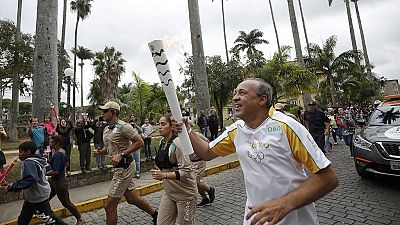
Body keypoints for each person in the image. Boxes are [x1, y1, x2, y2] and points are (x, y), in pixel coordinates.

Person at [174, 78, 338, 225]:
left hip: (294, 217)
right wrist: (188, 130)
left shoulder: (287, 126)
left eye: (242, 93)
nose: (235, 97)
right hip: (255, 217)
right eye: (235, 93)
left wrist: (284, 204)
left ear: (262, 99)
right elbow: (207, 153)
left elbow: (328, 178)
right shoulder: (236, 130)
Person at [93, 101, 158, 225]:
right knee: (132, 198)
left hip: (125, 167)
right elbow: (109, 147)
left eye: (106, 111)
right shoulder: (106, 129)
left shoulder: (124, 127)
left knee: (109, 206)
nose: (103, 113)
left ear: (114, 112)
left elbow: (139, 142)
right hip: (118, 168)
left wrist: (122, 154)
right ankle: (156, 215)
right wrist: (99, 152)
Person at [4, 141, 67, 225]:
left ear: (28, 152)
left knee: (50, 219)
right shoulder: (38, 159)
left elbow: (30, 179)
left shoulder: (29, 162)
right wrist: (20, 187)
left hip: (37, 197)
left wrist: (13, 186)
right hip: (32, 197)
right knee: (23, 219)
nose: (19, 154)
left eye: (20, 152)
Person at [151, 114, 197, 225]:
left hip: (185, 194)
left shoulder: (178, 143)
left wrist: (164, 175)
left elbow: (186, 172)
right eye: (159, 124)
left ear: (172, 126)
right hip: (169, 192)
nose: (159, 127)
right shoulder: (162, 142)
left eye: (163, 124)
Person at [46, 135, 84, 225]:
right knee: (45, 200)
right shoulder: (62, 152)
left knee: (66, 203)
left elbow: (55, 171)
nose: (49, 144)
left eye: (51, 142)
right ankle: (48, 217)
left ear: (57, 144)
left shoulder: (58, 155)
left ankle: (80, 218)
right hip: (55, 181)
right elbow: (66, 163)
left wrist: (43, 173)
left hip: (60, 182)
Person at [189, 133, 215, 207]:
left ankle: (209, 190)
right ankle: (205, 199)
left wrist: (201, 152)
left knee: (194, 181)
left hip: (199, 161)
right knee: (196, 182)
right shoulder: (181, 137)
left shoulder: (196, 135)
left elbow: (208, 143)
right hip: (191, 162)